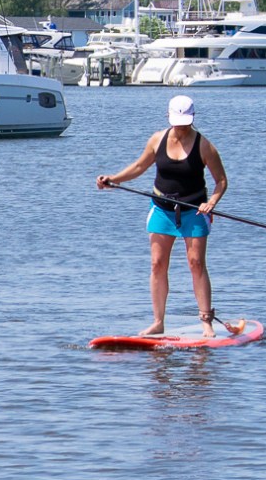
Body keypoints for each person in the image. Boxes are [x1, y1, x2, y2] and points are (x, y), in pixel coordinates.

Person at [96, 93, 231, 338]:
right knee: (157, 265)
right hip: (161, 209)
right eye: (178, 122)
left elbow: (221, 181)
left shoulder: (205, 146)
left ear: (192, 119)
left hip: (194, 210)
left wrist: (211, 202)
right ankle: (158, 322)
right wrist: (113, 179)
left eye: (185, 122)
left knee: (196, 264)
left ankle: (206, 322)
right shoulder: (157, 140)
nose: (181, 127)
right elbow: (138, 167)